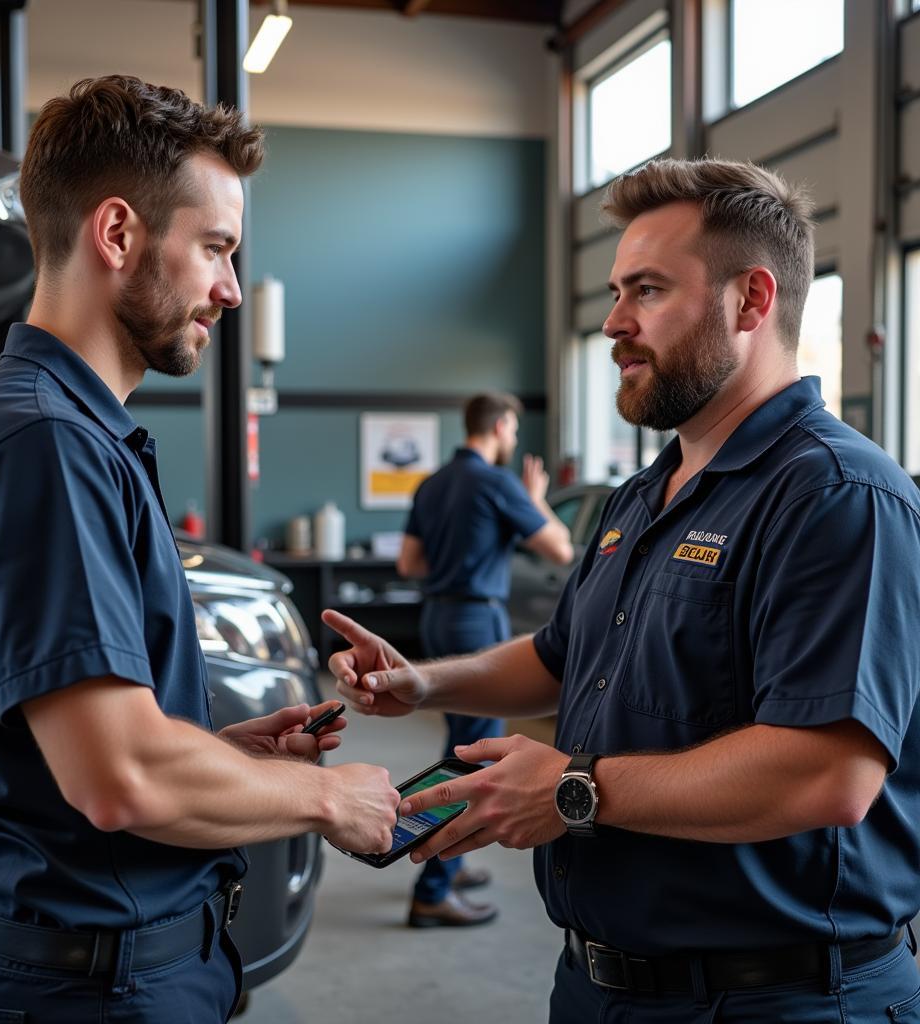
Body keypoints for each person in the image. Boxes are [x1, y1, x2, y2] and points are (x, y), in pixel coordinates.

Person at [326, 157, 920, 1022]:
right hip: (600, 985)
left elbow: (828, 774)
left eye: (646, 291)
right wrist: (425, 681)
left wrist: (574, 788)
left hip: (779, 998)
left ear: (751, 302)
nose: (613, 323)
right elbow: (562, 658)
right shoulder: (644, 494)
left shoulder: (836, 497)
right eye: (616, 291)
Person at [0, 75, 400, 1024]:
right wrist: (326, 798)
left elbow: (67, 756)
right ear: (118, 233)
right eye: (214, 247)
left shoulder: (63, 434)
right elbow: (118, 777)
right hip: (90, 988)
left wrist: (218, 754)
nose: (232, 289)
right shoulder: (43, 446)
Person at [395, 392, 573, 927]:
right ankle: (433, 887)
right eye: (514, 431)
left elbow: (409, 563)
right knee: (473, 756)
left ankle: (455, 856)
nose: (514, 440)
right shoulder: (497, 483)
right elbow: (560, 549)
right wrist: (535, 498)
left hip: (437, 616)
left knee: (460, 742)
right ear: (498, 427)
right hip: (478, 620)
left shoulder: (432, 483)